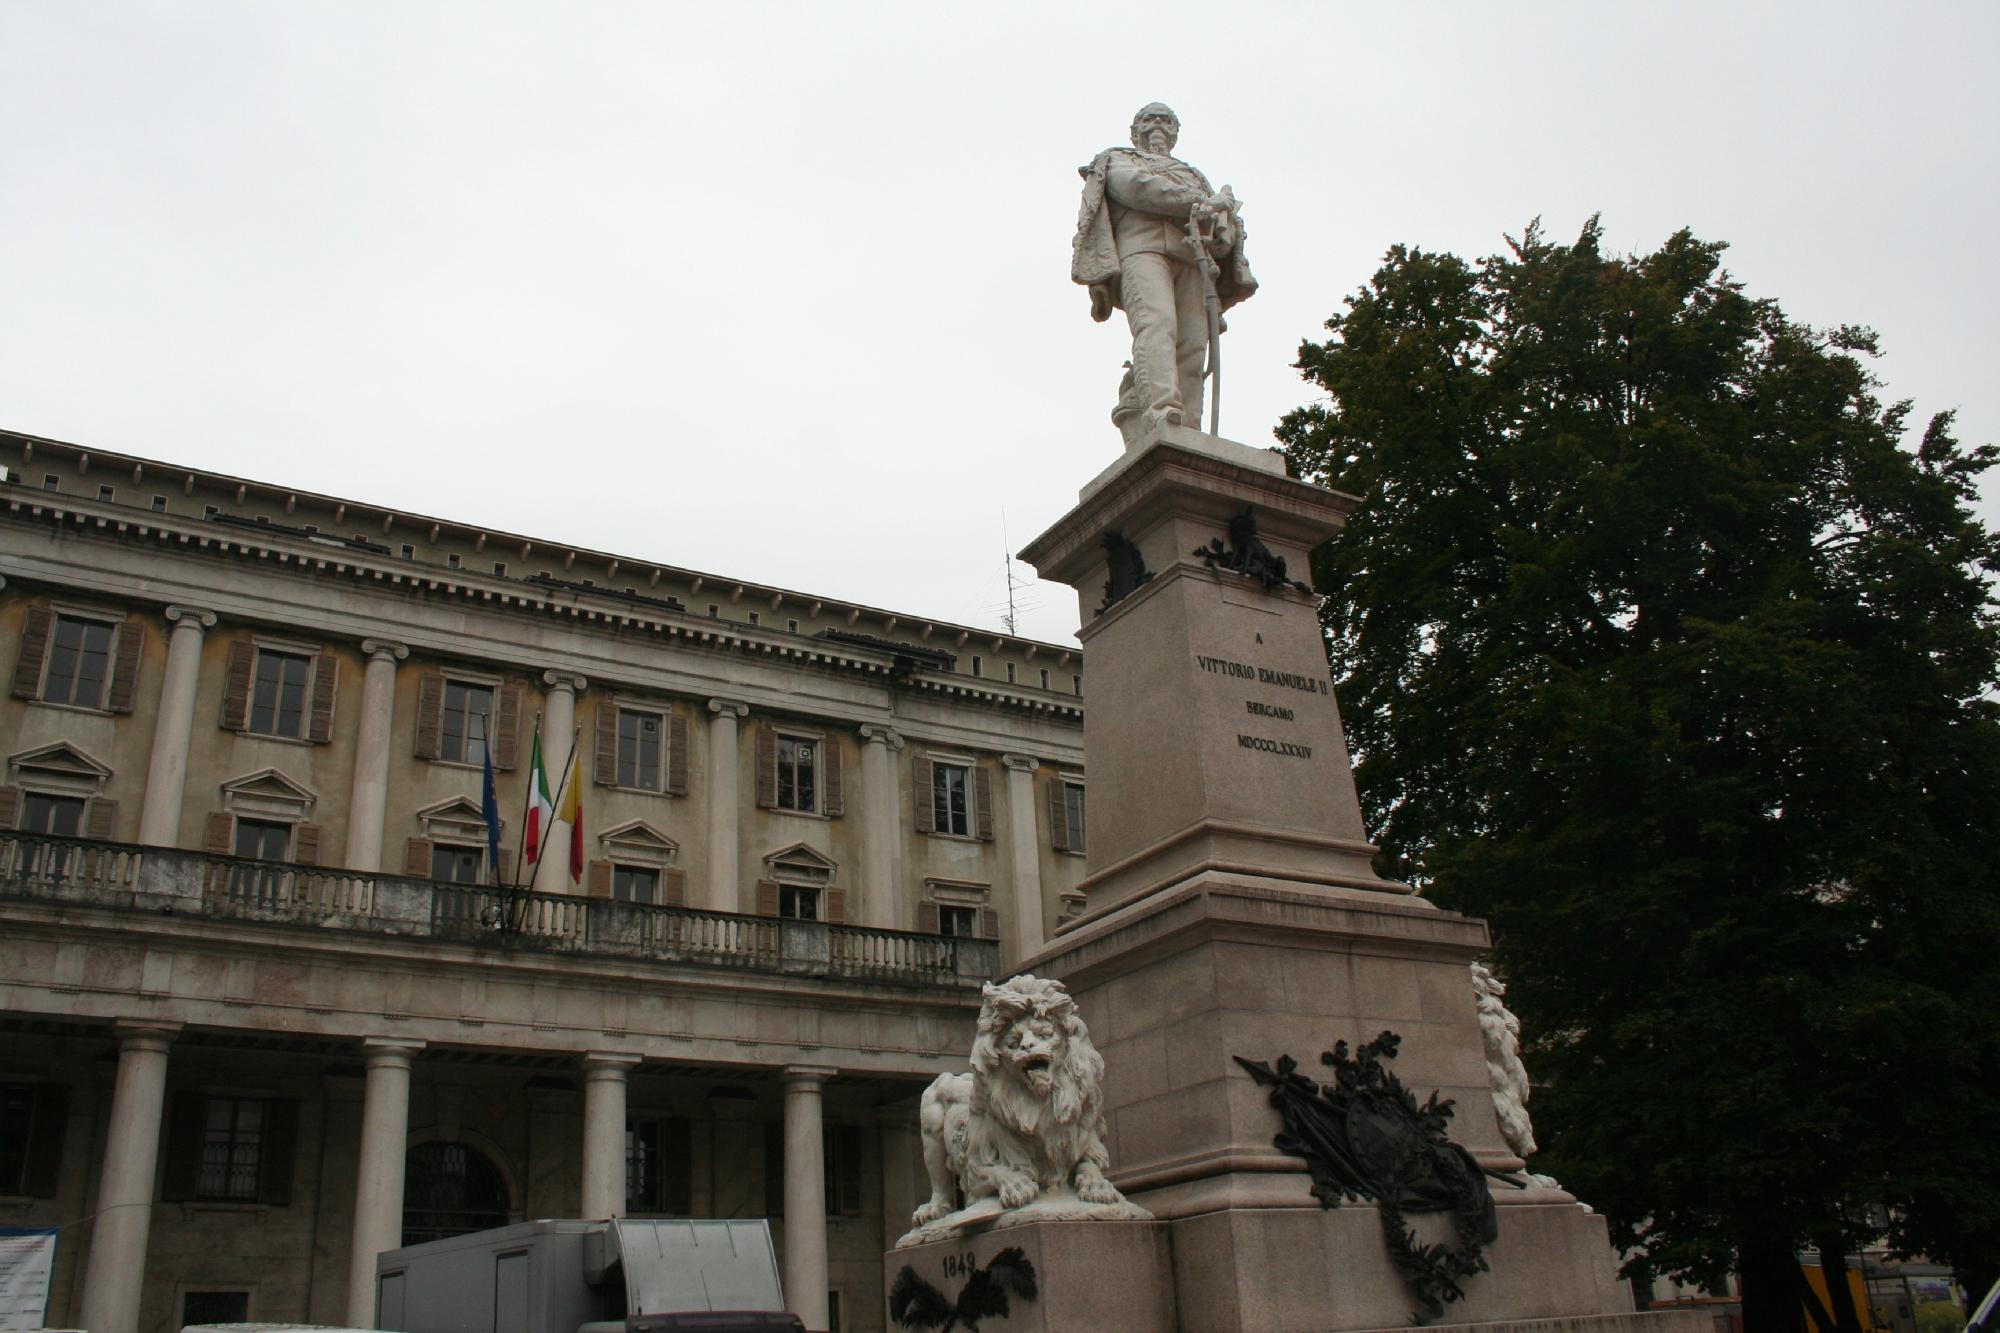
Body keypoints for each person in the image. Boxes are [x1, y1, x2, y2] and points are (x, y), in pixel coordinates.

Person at [1073, 103, 1257, 445]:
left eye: (1165, 120)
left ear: (1175, 132)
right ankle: (1161, 411)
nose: (1157, 125)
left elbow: (1223, 234)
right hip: (1142, 249)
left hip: (1193, 256)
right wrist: (1198, 203)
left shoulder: (1196, 176)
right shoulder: (1117, 159)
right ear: (1134, 131)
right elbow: (1136, 188)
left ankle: (1189, 425)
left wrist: (1223, 225)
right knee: (1157, 324)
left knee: (1192, 342)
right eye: (1149, 119)